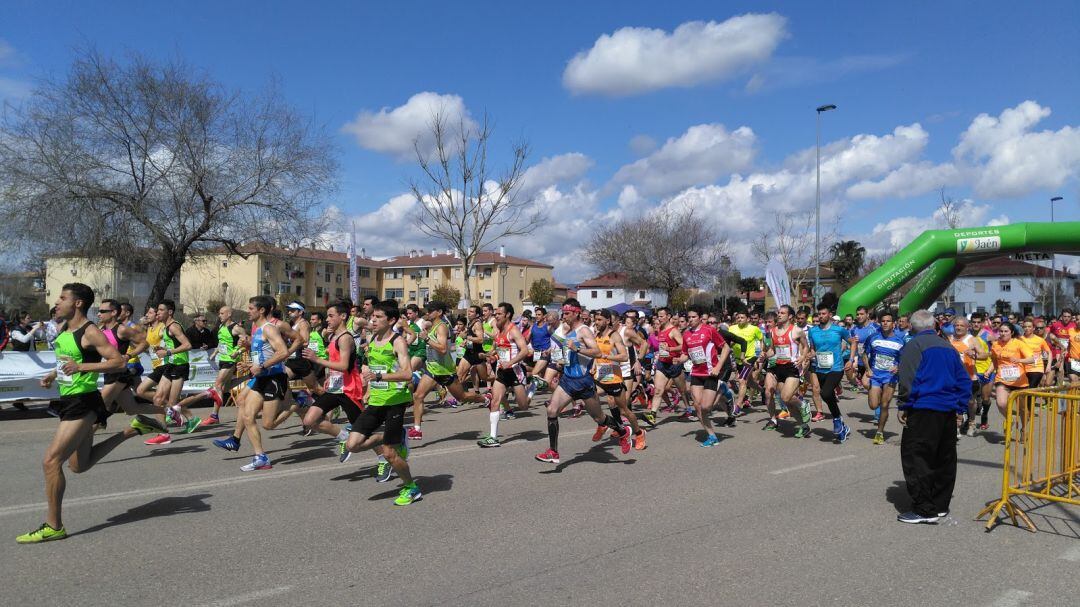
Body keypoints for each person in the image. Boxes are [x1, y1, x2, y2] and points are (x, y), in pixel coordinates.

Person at [16, 283, 165, 544]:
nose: (57, 302)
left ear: (78, 303)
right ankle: (133, 429)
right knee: (78, 466)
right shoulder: (64, 329)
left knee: (51, 462)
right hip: (69, 400)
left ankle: (53, 526)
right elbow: (66, 362)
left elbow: (118, 361)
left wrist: (81, 367)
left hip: (83, 402)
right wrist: (53, 375)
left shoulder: (90, 331)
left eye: (62, 297)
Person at [895, 310, 972, 524]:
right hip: (947, 409)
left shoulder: (913, 346)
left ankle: (924, 509)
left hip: (923, 408)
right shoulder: (948, 347)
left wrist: (903, 405)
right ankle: (940, 505)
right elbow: (963, 380)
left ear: (912, 327)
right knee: (944, 458)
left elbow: (907, 380)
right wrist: (960, 408)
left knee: (917, 457)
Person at [342, 300, 422, 505]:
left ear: (392, 320)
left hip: (396, 401)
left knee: (389, 454)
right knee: (352, 445)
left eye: (378, 317)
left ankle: (411, 488)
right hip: (377, 400)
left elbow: (407, 374)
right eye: (372, 317)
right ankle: (384, 437)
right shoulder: (371, 337)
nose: (373, 320)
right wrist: (368, 385)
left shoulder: (397, 341)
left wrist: (379, 377)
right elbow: (370, 366)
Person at [536, 299, 633, 464]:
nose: (564, 316)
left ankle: (623, 432)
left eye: (567, 313)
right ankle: (553, 452)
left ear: (576, 313)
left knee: (599, 418)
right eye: (563, 313)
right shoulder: (566, 329)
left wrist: (578, 348)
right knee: (552, 410)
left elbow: (596, 352)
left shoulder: (584, 331)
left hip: (583, 382)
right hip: (567, 379)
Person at [807, 305, 851, 443]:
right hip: (820, 368)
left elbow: (852, 342)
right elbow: (813, 350)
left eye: (823, 313)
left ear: (829, 315)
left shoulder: (839, 330)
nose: (821, 316)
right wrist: (806, 357)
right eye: (819, 314)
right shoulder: (813, 331)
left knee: (825, 393)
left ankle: (837, 420)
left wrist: (851, 359)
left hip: (836, 368)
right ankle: (840, 424)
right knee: (829, 396)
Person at [864, 311, 905, 445]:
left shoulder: (900, 341)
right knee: (873, 405)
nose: (885, 323)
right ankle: (877, 394)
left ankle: (879, 432)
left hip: (890, 377)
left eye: (888, 321)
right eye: (883, 321)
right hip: (875, 375)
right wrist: (868, 369)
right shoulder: (873, 337)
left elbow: (905, 359)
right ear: (880, 323)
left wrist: (898, 367)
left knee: (885, 405)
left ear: (893, 324)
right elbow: (864, 354)